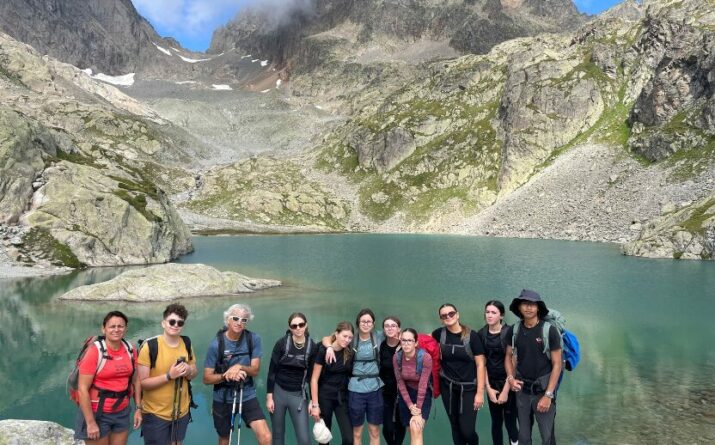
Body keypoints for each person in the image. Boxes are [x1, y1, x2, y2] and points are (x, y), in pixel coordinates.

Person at [202, 303, 271, 445]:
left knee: (266, 437)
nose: (239, 322)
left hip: (247, 394)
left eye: (243, 320)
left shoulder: (253, 339)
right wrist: (225, 375)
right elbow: (207, 378)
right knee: (224, 439)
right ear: (227, 319)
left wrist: (240, 367)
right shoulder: (216, 345)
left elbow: (255, 370)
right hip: (222, 398)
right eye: (235, 318)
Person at [74, 311, 142, 445]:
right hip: (97, 413)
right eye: (112, 326)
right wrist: (90, 422)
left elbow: (136, 380)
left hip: (122, 411)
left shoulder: (130, 349)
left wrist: (138, 408)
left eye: (120, 326)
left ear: (126, 328)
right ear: (103, 329)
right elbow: (82, 389)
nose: (116, 329)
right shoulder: (95, 352)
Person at [505, 290, 562, 445]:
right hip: (522, 390)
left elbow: (557, 364)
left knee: (547, 436)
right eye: (525, 304)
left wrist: (548, 395)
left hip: (543, 390)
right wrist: (511, 378)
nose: (528, 307)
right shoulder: (514, 329)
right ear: (519, 307)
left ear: (538, 308)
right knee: (523, 437)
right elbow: (508, 356)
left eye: (532, 304)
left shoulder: (549, 331)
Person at [138, 303, 198, 445]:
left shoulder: (187, 343)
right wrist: (169, 376)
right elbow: (143, 383)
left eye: (179, 322)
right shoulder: (150, 347)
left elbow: (194, 371)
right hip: (155, 413)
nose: (175, 325)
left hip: (181, 412)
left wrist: (189, 371)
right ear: (163, 323)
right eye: (171, 321)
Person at [432, 303, 486, 445]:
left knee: (467, 430)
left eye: (451, 313)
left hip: (468, 388)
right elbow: (423, 341)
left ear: (457, 314)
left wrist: (480, 392)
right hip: (447, 387)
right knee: (455, 427)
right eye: (444, 316)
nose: (448, 317)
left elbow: (481, 364)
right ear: (441, 319)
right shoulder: (439, 334)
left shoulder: (472, 337)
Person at [266, 312, 318, 445]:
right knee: (278, 436)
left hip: (298, 396)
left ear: (306, 325)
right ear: (290, 328)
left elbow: (312, 377)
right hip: (278, 392)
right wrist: (269, 397)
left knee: (304, 440)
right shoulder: (282, 343)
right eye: (294, 326)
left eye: (301, 325)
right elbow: (272, 371)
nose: (298, 328)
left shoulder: (312, 347)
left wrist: (312, 401)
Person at [478, 301, 518, 445]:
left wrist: (506, 390)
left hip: (509, 383)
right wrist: (488, 388)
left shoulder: (509, 332)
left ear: (501, 315)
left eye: (493, 312)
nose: (489, 315)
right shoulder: (481, 334)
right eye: (487, 312)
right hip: (492, 383)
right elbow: (482, 363)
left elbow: (514, 362)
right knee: (496, 422)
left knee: (510, 422)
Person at [310, 321, 355, 445]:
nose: (347, 340)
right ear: (337, 334)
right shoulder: (323, 350)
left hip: (341, 397)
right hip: (325, 396)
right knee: (324, 438)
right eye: (344, 336)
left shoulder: (350, 352)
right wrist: (314, 404)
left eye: (350, 337)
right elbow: (314, 379)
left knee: (349, 439)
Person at [393, 328, 433, 445]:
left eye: (409, 341)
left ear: (416, 343)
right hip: (406, 396)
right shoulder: (397, 358)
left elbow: (423, 384)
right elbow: (400, 382)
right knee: (412, 430)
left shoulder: (425, 358)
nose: (406, 343)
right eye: (403, 340)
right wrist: (410, 406)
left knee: (416, 427)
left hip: (422, 395)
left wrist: (418, 409)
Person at [379, 316, 406, 445]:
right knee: (388, 428)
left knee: (400, 425)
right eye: (387, 325)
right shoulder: (381, 345)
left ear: (399, 328)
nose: (390, 328)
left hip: (403, 393)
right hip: (385, 392)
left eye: (393, 325)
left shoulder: (406, 345)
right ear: (383, 329)